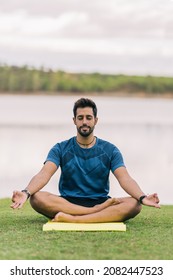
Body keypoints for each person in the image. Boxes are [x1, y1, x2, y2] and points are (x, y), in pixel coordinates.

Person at [11, 98, 160, 223]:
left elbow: (125, 178)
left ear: (96, 120)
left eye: (89, 118)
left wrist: (142, 197)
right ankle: (95, 213)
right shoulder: (60, 148)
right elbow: (44, 174)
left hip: (101, 200)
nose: (84, 122)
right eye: (80, 118)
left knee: (134, 203)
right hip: (67, 203)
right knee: (36, 198)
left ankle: (76, 219)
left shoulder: (110, 150)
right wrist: (26, 192)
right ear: (74, 120)